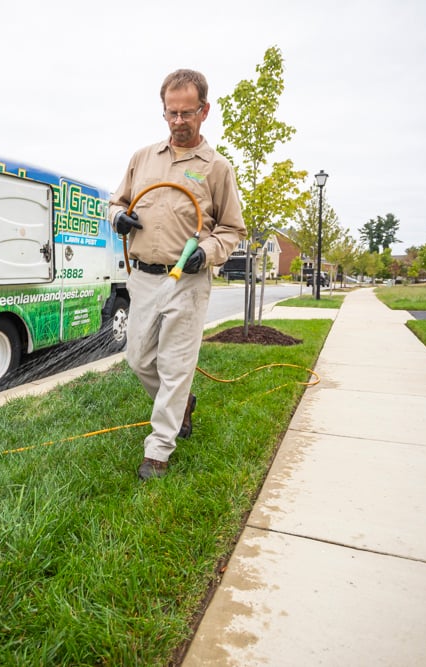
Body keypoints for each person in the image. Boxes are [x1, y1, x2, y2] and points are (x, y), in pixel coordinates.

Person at [108, 69, 246, 481]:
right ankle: (182, 404)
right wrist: (118, 217)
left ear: (204, 111)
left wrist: (208, 252)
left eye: (188, 112)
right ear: (164, 112)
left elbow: (232, 228)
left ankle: (159, 450)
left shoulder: (216, 168)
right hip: (145, 277)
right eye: (172, 113)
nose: (179, 121)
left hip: (187, 280)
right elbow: (116, 201)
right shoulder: (142, 158)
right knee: (137, 358)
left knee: (175, 367)